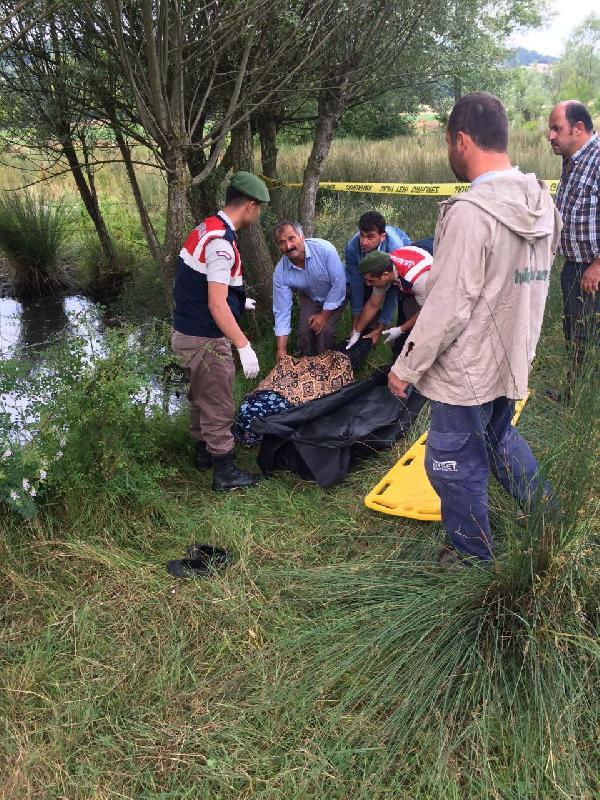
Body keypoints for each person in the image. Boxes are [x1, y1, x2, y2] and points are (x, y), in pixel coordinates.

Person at [388, 92, 562, 567]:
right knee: (500, 437)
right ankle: (549, 517)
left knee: (449, 463)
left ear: (461, 139)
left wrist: (406, 366)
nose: (449, 152)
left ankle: (471, 559)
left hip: (467, 372)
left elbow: (447, 306)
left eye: (448, 142)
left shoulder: (470, 213)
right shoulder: (541, 204)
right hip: (513, 356)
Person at [171, 171, 270, 491]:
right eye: (260, 209)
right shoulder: (221, 244)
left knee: (200, 397)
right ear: (251, 206)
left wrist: (238, 301)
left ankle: (203, 453)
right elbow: (216, 304)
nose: (259, 214)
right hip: (204, 337)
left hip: (186, 331)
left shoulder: (207, 227)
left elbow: (203, 284)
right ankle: (225, 472)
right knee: (218, 402)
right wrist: (243, 344)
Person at [548, 100, 600, 396]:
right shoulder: (572, 160)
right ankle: (576, 396)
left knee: (588, 337)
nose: (551, 136)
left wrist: (598, 265)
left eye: (557, 128)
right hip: (574, 267)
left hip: (593, 269)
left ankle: (583, 399)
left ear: (578, 128)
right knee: (577, 335)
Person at [273, 221, 347, 359]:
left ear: (301, 236)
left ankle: (326, 365)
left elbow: (339, 284)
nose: (288, 246)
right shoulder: (280, 272)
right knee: (304, 332)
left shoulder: (325, 249)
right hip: (311, 296)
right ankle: (306, 365)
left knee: (325, 332)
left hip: (335, 292)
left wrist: (323, 316)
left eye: (291, 238)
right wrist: (281, 349)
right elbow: (282, 310)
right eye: (282, 242)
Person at [345, 245, 433, 356]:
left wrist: (401, 329)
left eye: (370, 281)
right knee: (407, 308)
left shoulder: (417, 281)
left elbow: (427, 311)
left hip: (434, 275)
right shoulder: (382, 266)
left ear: (385, 276)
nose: (368, 284)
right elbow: (373, 304)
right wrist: (356, 332)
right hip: (416, 264)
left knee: (420, 320)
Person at [345, 211, 411, 344]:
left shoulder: (396, 251)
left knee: (402, 301)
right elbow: (356, 286)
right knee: (367, 294)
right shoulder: (352, 247)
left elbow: (392, 293)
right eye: (362, 236)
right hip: (372, 274)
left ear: (382, 237)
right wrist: (355, 326)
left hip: (403, 271)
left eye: (370, 237)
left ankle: (381, 332)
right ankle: (361, 331)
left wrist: (381, 326)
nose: (364, 242)